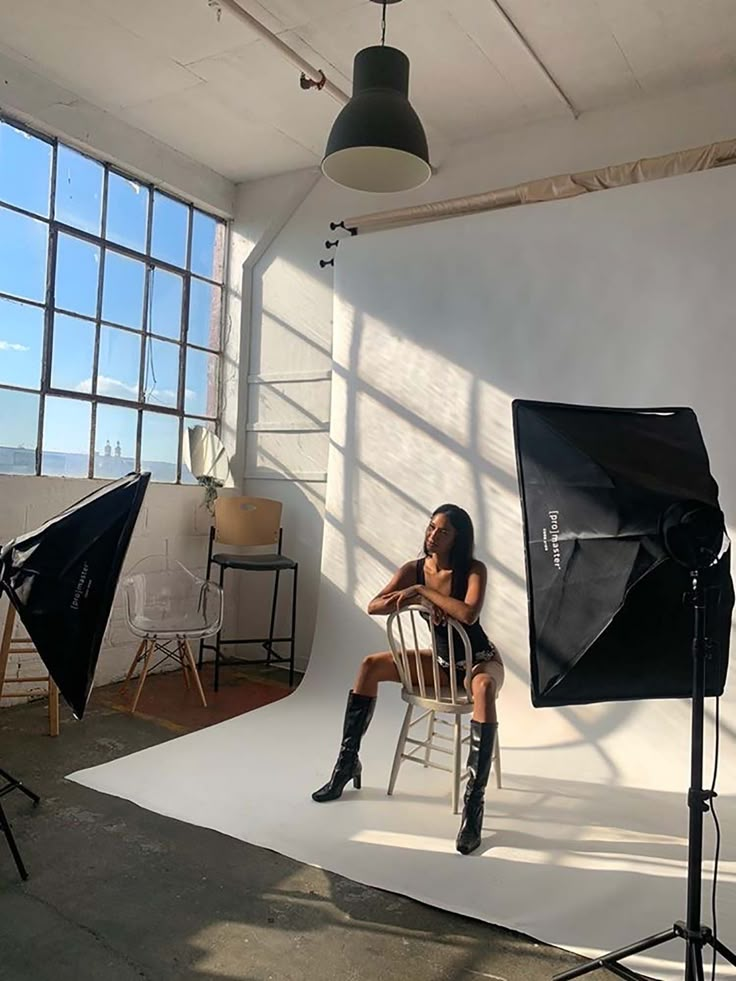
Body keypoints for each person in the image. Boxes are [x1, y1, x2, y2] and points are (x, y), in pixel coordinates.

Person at [312, 504, 504, 855]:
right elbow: (374, 605)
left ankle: (473, 805)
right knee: (370, 665)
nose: (433, 536)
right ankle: (346, 763)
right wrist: (409, 592)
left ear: (459, 538)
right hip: (444, 665)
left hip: (479, 662)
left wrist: (422, 592)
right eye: (431, 527)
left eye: (443, 531)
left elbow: (469, 614)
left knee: (485, 688)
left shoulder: (473, 570)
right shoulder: (413, 569)